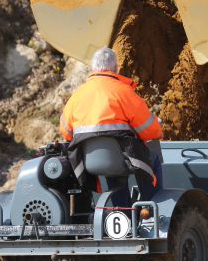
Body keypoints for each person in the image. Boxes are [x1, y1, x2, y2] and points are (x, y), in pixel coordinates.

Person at [59, 47, 162, 200]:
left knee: (113, 173)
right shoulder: (123, 92)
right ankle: (152, 209)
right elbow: (150, 131)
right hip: (121, 159)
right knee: (152, 156)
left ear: (93, 68)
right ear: (115, 68)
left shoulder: (77, 95)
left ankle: (121, 214)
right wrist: (158, 126)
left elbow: (66, 132)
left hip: (90, 163)